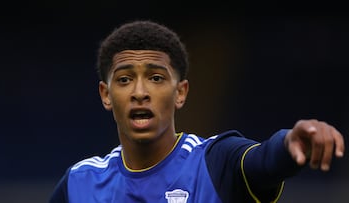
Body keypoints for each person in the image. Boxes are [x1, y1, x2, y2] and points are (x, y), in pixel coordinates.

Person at [49, 20, 345, 203]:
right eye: (125, 80)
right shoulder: (79, 183)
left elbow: (264, 161)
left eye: (156, 78)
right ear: (106, 95)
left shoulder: (217, 162)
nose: (140, 92)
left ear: (180, 93)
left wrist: (289, 141)